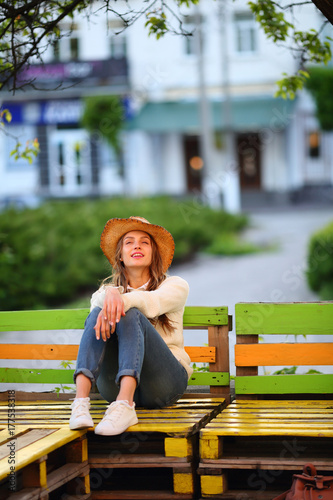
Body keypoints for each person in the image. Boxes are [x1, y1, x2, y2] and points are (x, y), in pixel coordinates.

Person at [69, 216, 192, 436]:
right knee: (99, 312)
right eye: (129, 242)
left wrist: (119, 298)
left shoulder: (175, 286)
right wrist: (111, 292)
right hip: (112, 385)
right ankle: (80, 405)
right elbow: (96, 310)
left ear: (154, 253)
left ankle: (125, 406)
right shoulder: (105, 293)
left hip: (164, 384)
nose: (137, 245)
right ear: (121, 256)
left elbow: (151, 303)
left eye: (144, 242)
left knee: (129, 313)